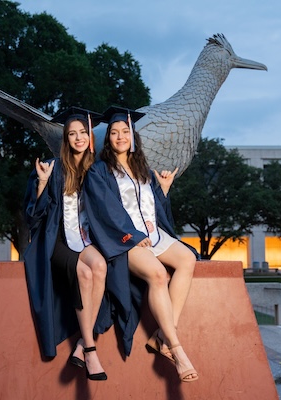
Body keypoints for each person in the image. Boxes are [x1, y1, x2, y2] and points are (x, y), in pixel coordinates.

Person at [83, 106, 199, 382]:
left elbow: (153, 205)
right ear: (108, 138)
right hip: (125, 241)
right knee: (158, 275)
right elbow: (105, 210)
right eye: (114, 132)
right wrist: (132, 236)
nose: (120, 136)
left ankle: (160, 336)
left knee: (188, 260)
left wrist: (165, 189)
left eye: (125, 131)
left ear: (133, 136)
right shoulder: (100, 171)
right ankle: (177, 349)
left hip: (154, 235)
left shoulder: (143, 168)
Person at [23, 106, 108, 381]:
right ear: (66, 139)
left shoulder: (98, 169)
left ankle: (81, 344)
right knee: (83, 272)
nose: (78, 137)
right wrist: (42, 183)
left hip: (87, 239)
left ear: (90, 136)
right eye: (72, 134)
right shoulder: (54, 168)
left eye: (83, 132)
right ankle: (91, 349)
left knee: (100, 267)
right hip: (58, 240)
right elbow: (33, 215)